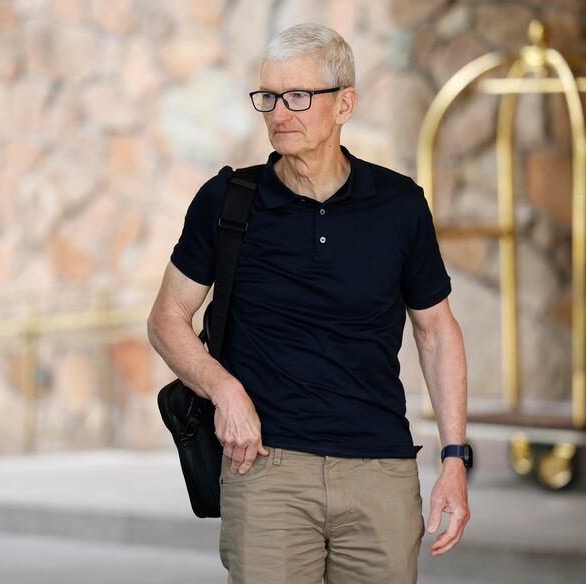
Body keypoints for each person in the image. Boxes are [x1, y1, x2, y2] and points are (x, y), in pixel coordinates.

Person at [147, 22, 471, 584]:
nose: (279, 113)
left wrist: (454, 458)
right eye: (268, 97)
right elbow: (166, 319)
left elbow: (437, 332)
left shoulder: (399, 205)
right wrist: (224, 391)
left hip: (380, 470)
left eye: (298, 96)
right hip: (266, 470)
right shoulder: (227, 201)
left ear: (344, 104)